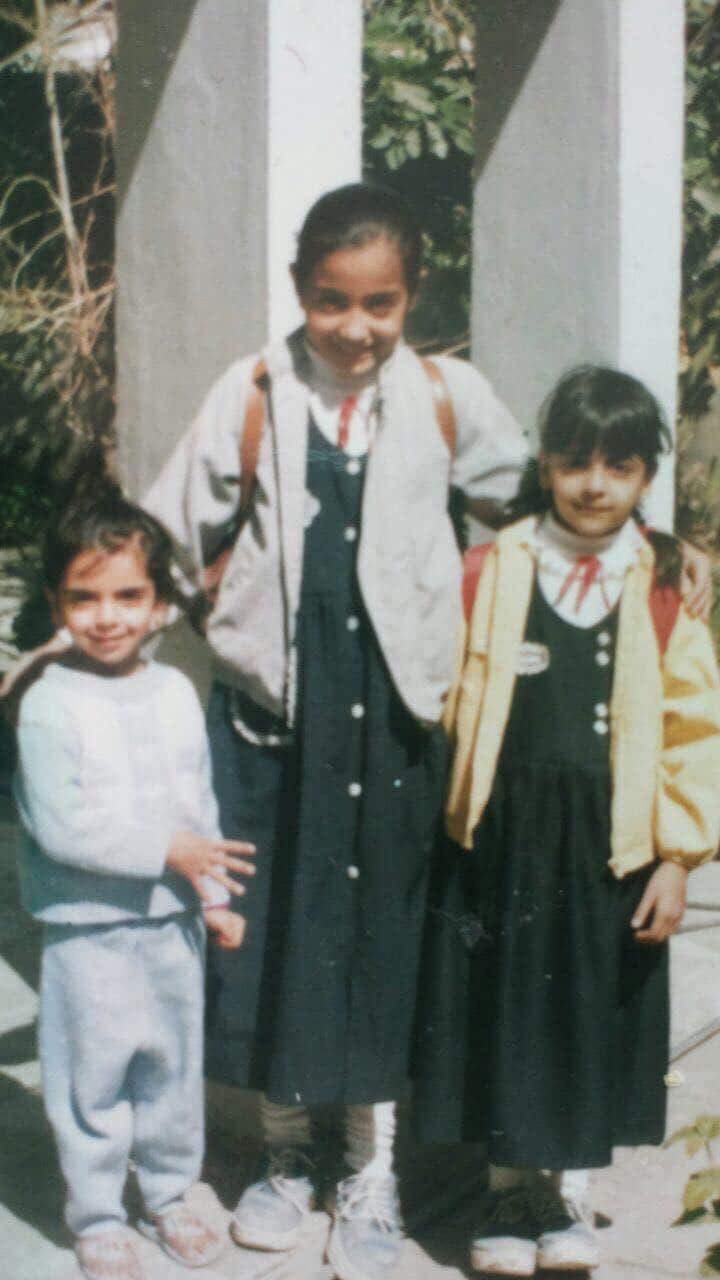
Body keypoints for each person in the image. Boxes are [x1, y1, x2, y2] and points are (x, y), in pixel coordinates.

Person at [142, 181, 530, 1280]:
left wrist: (636, 555)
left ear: (413, 297)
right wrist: (183, 632)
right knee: (273, 928)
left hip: (397, 720)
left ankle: (371, 1165)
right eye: (331, 300)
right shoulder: (254, 390)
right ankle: (286, 1152)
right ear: (298, 289)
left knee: (380, 934)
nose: (354, 327)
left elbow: (531, 507)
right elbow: (166, 530)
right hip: (279, 721)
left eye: (380, 304)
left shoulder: (447, 395)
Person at [412, 366, 720, 1277]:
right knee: (504, 1005)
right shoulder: (491, 568)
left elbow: (694, 728)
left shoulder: (662, 584)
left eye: (619, 467)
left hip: (608, 842)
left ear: (646, 477)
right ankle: (509, 1192)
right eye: (576, 462)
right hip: (504, 836)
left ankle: (568, 1193)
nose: (594, 484)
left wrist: (678, 856)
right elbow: (444, 692)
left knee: (587, 1008)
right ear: (544, 464)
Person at [13, 494, 256, 1280]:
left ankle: (169, 1195)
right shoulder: (48, 703)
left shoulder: (176, 692)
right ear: (56, 604)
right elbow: (62, 826)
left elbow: (198, 809)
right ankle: (97, 1215)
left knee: (170, 1072)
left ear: (158, 605)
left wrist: (214, 898)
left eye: (128, 595)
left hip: (171, 922)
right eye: (84, 597)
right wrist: (167, 851)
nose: (108, 616)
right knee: (91, 1078)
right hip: (87, 930)